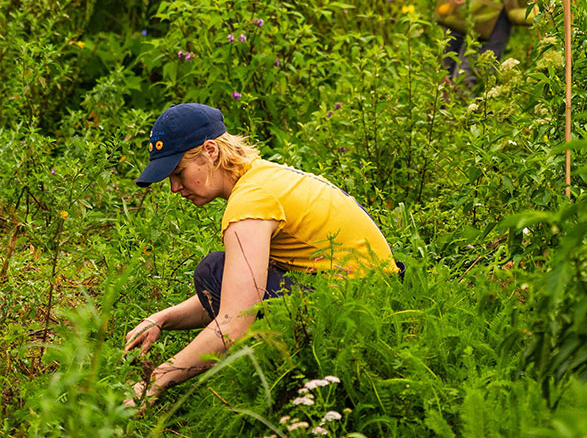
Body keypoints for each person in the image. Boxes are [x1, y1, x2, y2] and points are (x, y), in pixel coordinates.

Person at [123, 102, 401, 407]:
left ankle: (280, 387)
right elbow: (243, 291)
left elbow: (234, 322)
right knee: (216, 271)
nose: (175, 187)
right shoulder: (264, 177)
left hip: (359, 311)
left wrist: (153, 383)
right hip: (378, 298)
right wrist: (163, 319)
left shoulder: (251, 203)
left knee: (212, 270)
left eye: (179, 172)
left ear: (210, 152)